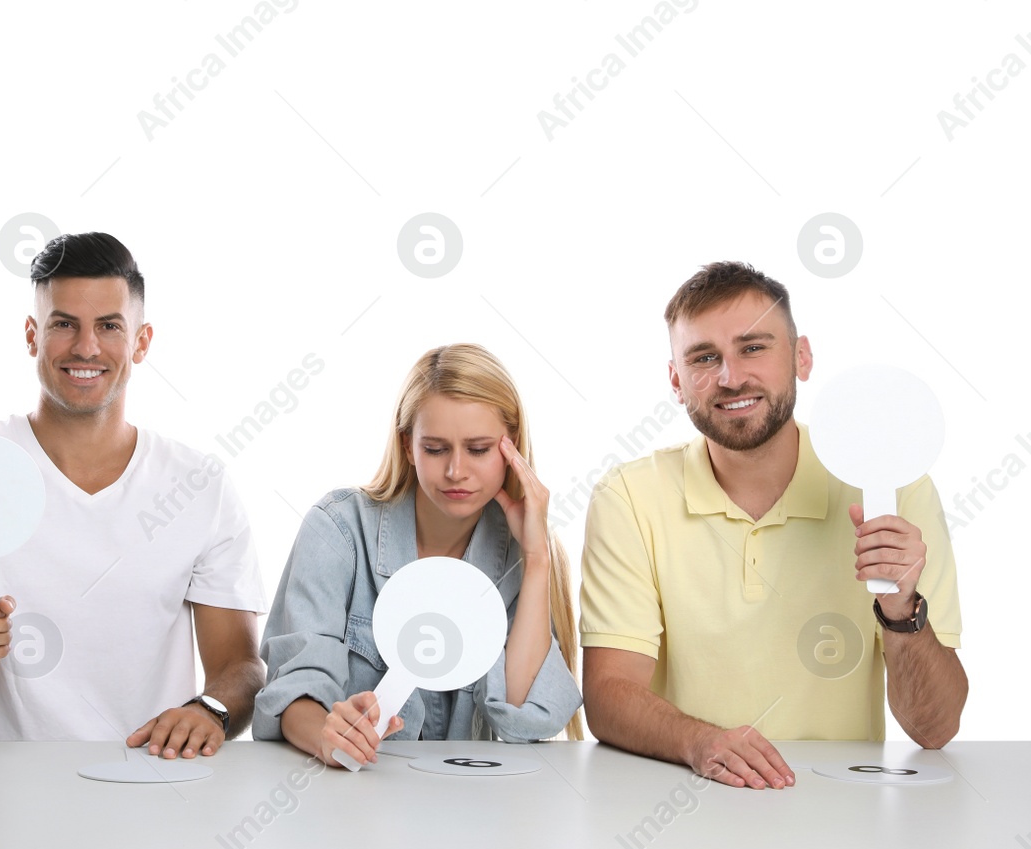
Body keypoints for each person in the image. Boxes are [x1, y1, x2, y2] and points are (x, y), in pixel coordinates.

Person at [579, 261, 967, 790]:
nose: (731, 377)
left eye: (753, 348)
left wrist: (901, 610)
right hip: (682, 804)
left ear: (801, 357)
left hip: (843, 817)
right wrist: (701, 743)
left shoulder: (897, 490)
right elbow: (607, 695)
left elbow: (934, 729)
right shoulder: (629, 497)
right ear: (676, 380)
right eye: (703, 357)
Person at [0, 232, 265, 758]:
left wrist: (212, 711)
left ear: (141, 340)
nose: (86, 347)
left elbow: (239, 667)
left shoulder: (199, 486)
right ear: (31, 335)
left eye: (109, 326)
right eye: (63, 324)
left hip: (146, 784)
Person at [254, 344, 583, 767]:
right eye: (436, 449)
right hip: (352, 801)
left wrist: (537, 559)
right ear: (408, 446)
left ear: (511, 448)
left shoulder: (526, 556)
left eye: (479, 449)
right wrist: (325, 732)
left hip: (467, 809)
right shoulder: (338, 529)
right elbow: (294, 685)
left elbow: (522, 720)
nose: (456, 471)